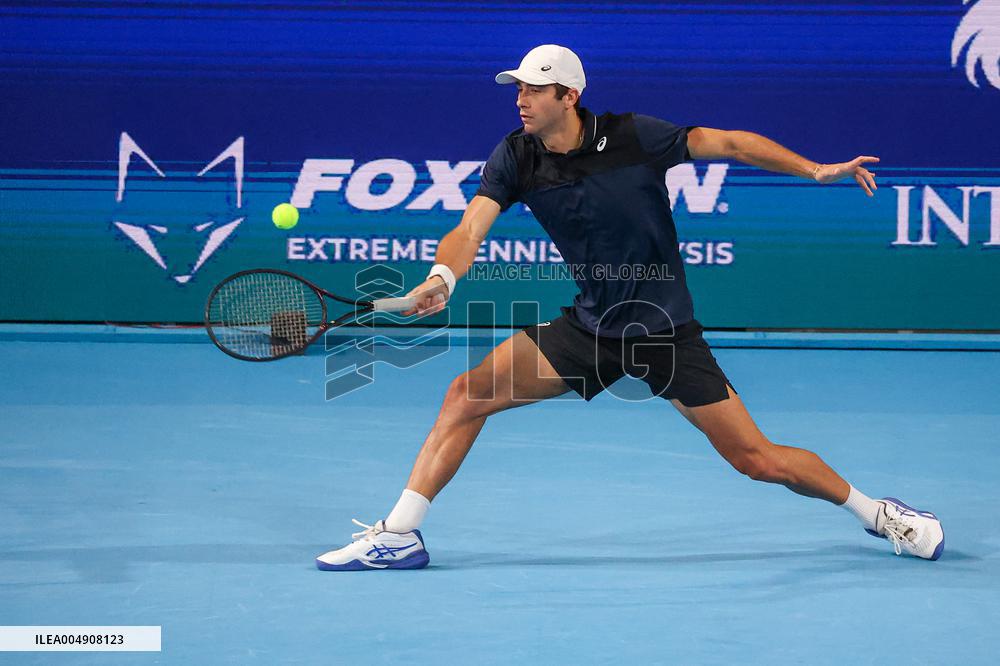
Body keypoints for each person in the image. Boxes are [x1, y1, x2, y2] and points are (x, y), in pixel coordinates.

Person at [316, 44, 944, 571]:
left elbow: (729, 143)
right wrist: (442, 278)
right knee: (467, 394)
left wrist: (816, 171)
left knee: (757, 460)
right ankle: (401, 534)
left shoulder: (634, 136)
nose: (521, 100)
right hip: (590, 328)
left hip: (663, 333)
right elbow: (470, 227)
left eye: (534, 89)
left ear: (569, 96)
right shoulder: (516, 154)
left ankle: (879, 514)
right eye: (518, 89)